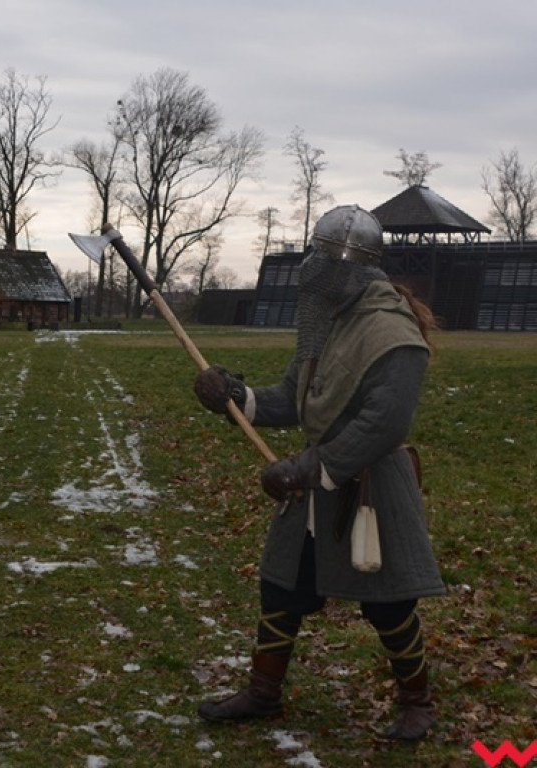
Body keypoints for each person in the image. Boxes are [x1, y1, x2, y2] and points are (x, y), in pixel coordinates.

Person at [192, 204, 444, 741]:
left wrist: (311, 466)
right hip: (313, 486)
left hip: (372, 487)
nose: (312, 272)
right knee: (281, 585)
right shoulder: (327, 317)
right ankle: (263, 693)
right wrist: (237, 397)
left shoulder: (390, 332)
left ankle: (418, 702)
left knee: (389, 602)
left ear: (350, 270)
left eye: (322, 263)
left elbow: (385, 421)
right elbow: (296, 397)